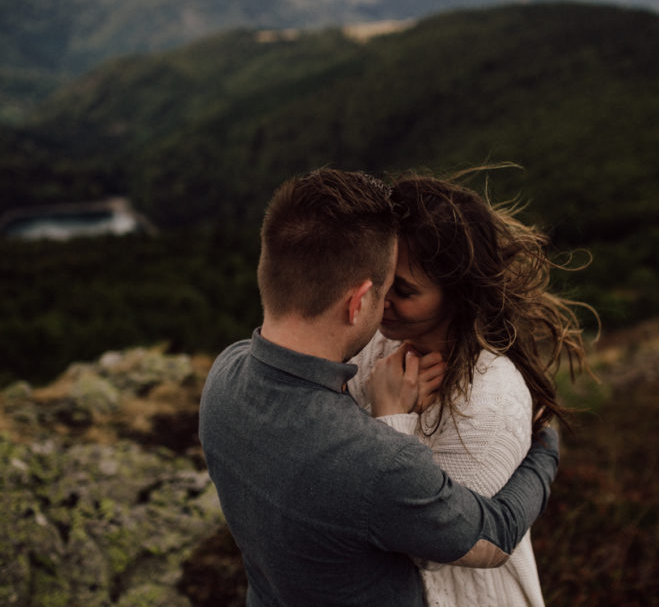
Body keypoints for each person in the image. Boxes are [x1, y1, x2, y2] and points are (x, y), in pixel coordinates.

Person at [198, 168, 561, 607]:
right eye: (386, 287)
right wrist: (546, 451)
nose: (387, 306)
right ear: (357, 302)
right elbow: (490, 533)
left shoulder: (222, 375)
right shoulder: (376, 463)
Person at [348, 170, 593, 607]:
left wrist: (389, 419)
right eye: (379, 277)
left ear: (457, 296)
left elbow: (427, 546)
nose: (380, 298)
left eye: (403, 290)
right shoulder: (377, 338)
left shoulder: (491, 403)